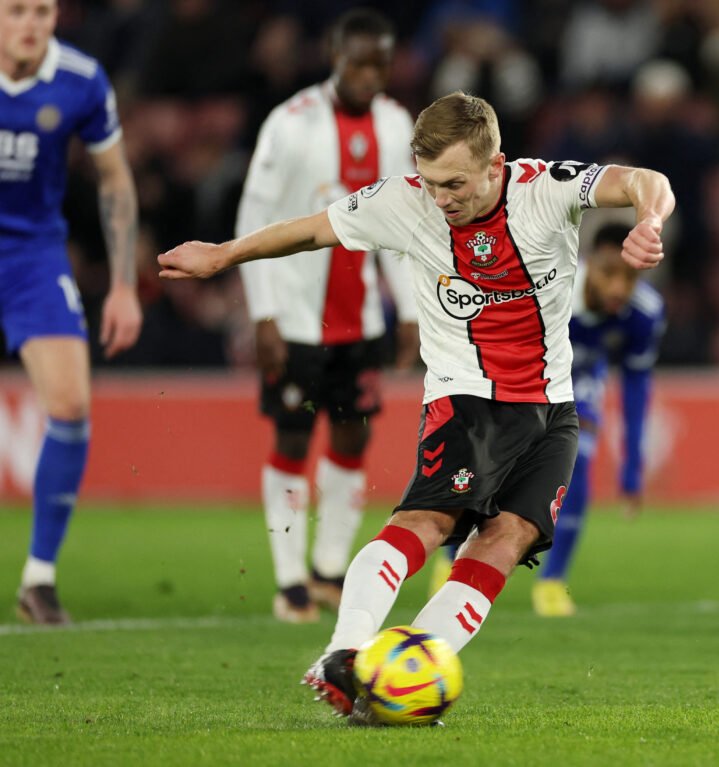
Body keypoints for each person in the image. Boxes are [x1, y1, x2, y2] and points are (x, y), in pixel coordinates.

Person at [158, 92, 673, 724]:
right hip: (467, 397)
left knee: (508, 539)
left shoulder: (546, 190)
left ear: (495, 165)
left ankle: (401, 678)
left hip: (552, 408)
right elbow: (313, 229)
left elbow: (648, 180)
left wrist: (649, 220)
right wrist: (223, 254)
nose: (441, 197)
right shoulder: (401, 201)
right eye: (431, 182)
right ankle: (342, 654)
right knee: (429, 522)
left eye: (455, 182)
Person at [236, 9, 418, 624]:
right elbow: (252, 219)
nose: (368, 74)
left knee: (352, 436)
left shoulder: (397, 126)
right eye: (357, 61)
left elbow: (400, 227)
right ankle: (288, 578)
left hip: (361, 318)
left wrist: (411, 311)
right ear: (334, 55)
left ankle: (328, 569)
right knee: (292, 438)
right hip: (293, 317)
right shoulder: (290, 124)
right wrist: (262, 312)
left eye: (379, 64)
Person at [0, 0, 141, 624]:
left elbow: (113, 180)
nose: (30, 24)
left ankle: (39, 577)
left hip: (32, 257)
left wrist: (122, 285)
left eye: (42, 11)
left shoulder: (81, 80)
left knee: (71, 404)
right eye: (15, 11)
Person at [532, 222, 665, 617]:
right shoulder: (553, 291)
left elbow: (637, 385)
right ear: (588, 262)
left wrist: (632, 466)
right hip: (527, 376)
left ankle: (552, 583)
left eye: (630, 276)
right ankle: (451, 556)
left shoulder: (645, 313)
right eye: (610, 272)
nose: (619, 289)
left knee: (577, 467)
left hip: (582, 382)